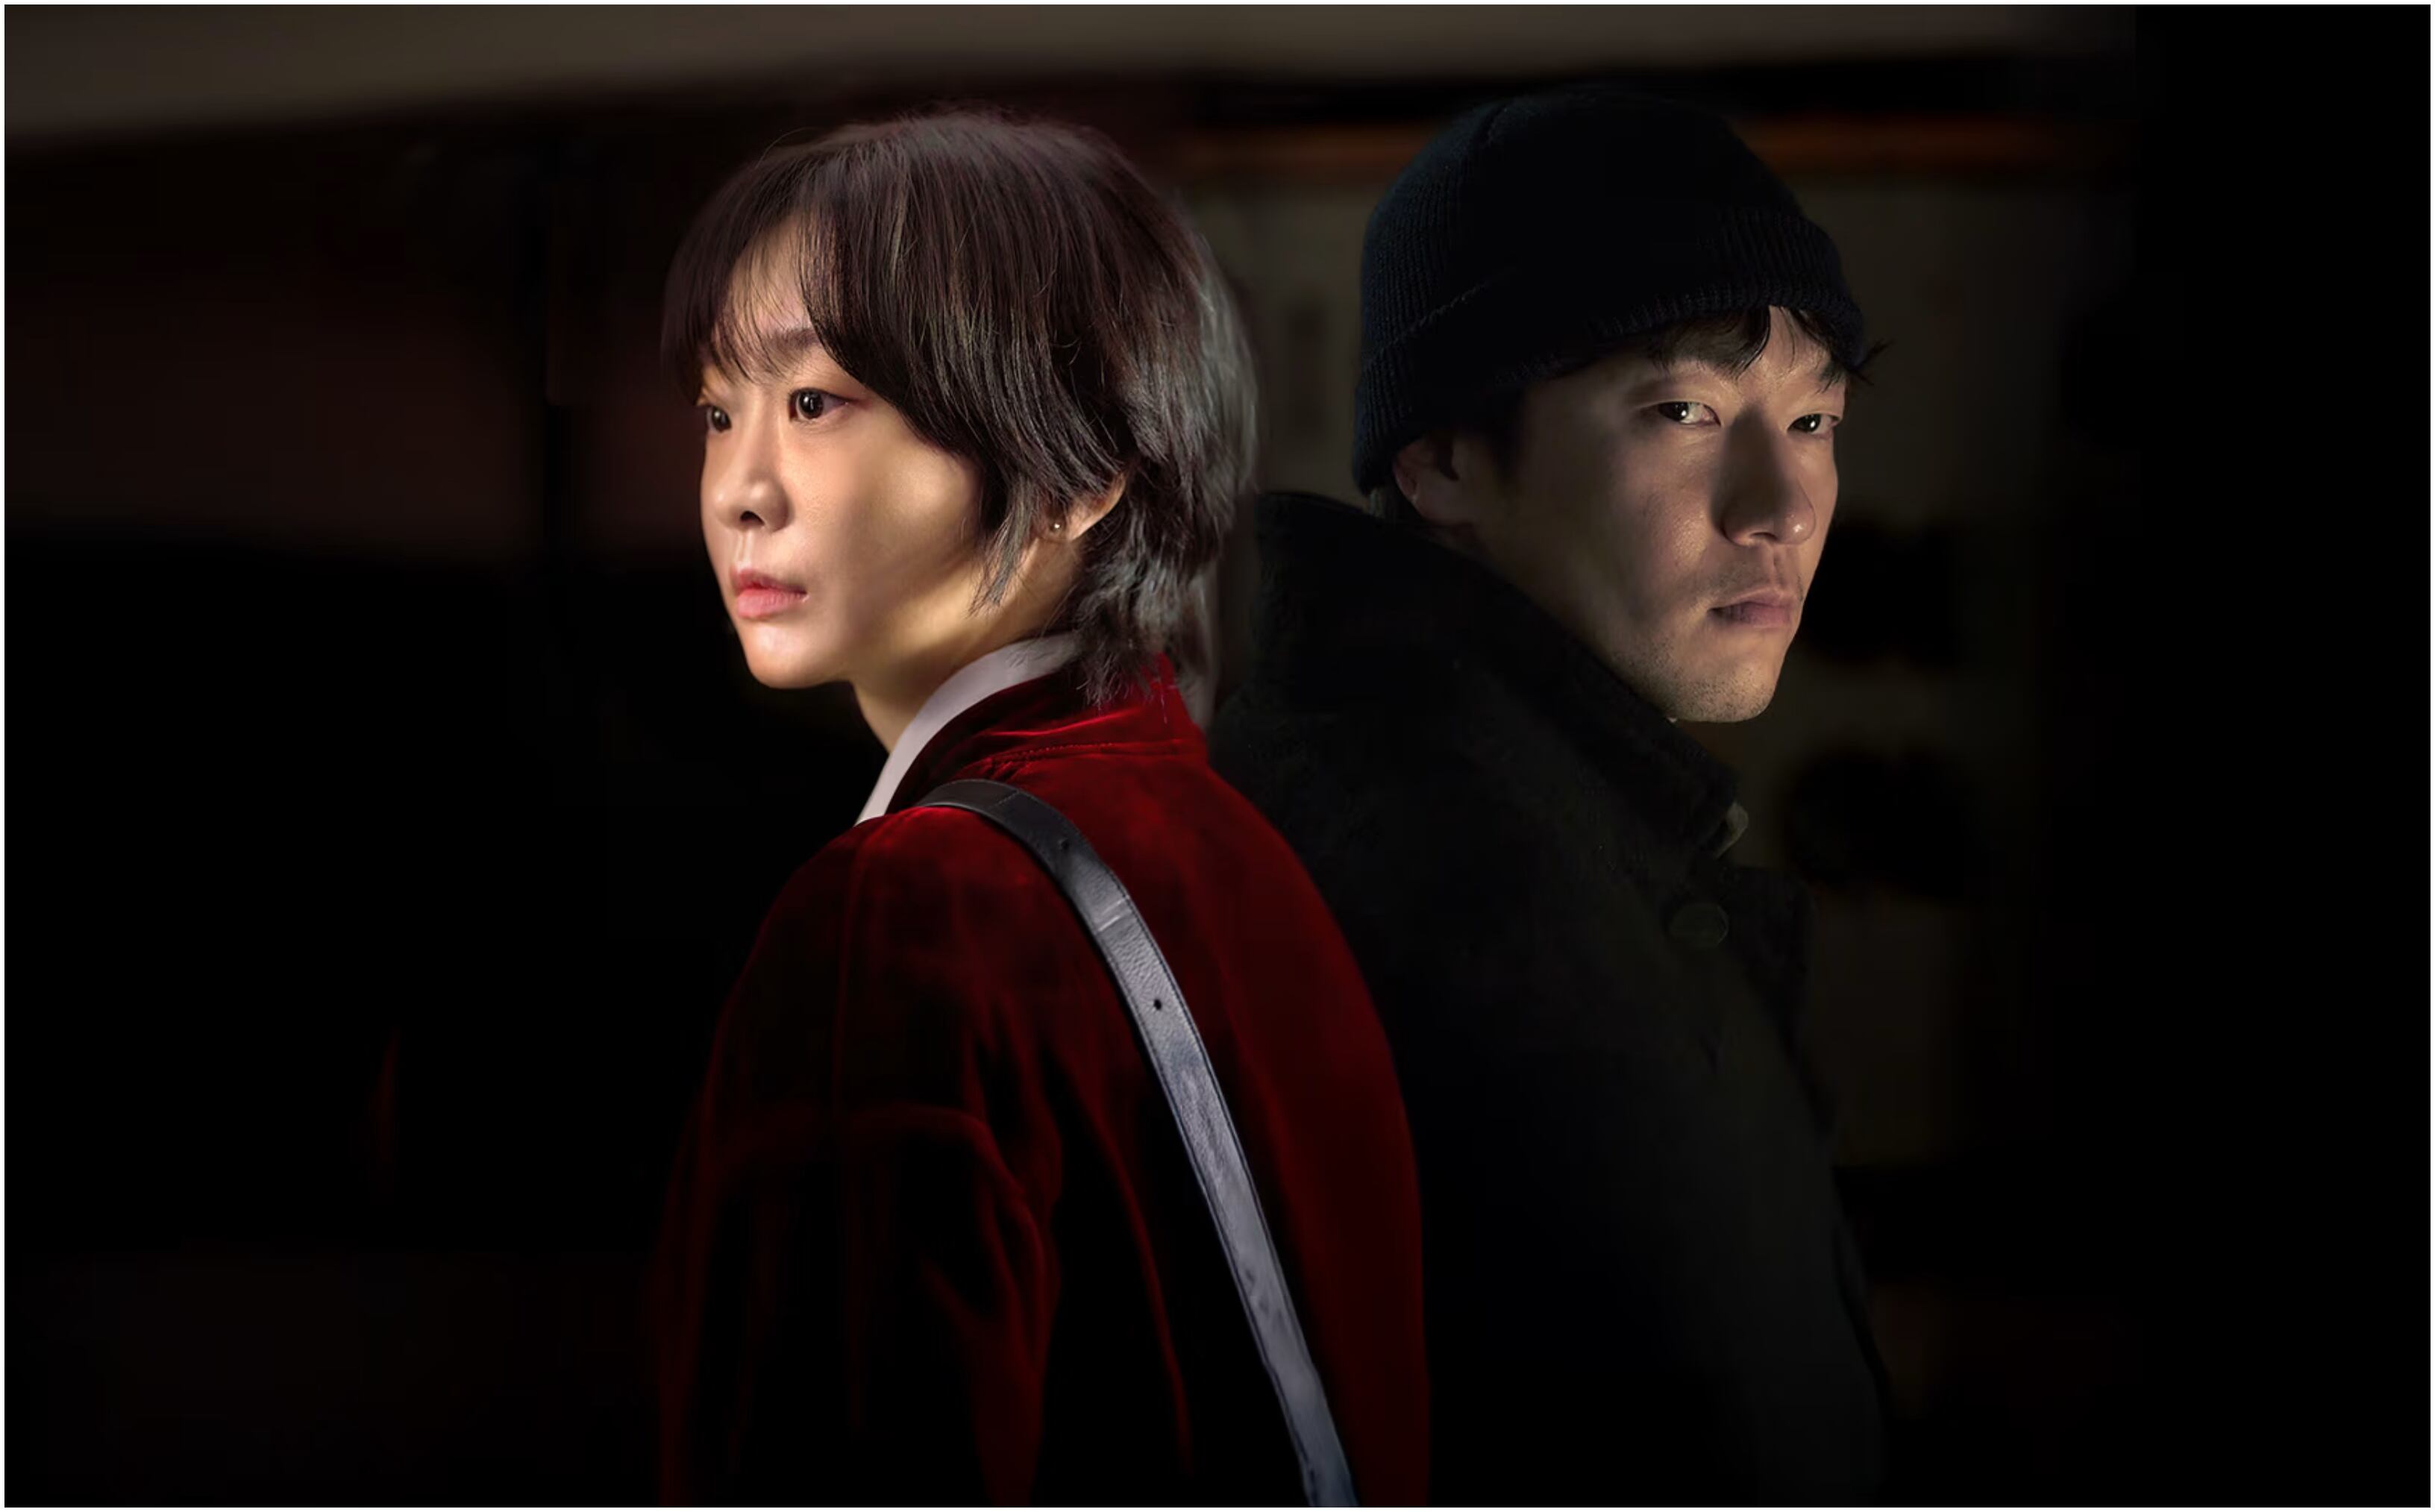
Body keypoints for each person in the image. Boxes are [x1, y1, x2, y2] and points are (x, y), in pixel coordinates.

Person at [649, 110, 1426, 1506]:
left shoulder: (911, 910)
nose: (740, 492)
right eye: (720, 411)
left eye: (816, 402)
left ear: (1077, 472)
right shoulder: (1224, 836)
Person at [1207, 84, 1891, 1505]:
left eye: (1815, 418)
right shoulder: (1431, 873)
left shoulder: (1553, 811)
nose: (1780, 505)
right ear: (1443, 459)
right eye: (1684, 410)